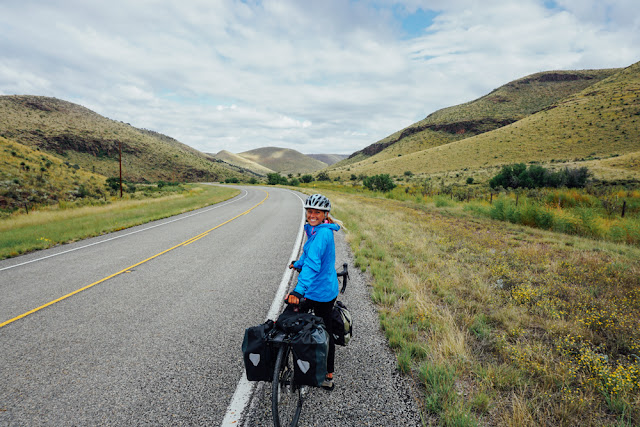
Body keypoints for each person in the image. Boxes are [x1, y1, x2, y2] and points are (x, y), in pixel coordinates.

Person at [286, 193, 340, 391]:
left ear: (325, 214)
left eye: (317, 212)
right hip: (314, 288)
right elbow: (308, 256)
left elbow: (313, 264)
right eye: (310, 211)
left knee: (325, 331)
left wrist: (298, 291)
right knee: (290, 317)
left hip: (323, 292)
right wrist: (298, 263)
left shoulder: (323, 234)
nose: (312, 215)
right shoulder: (314, 230)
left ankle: (328, 374)